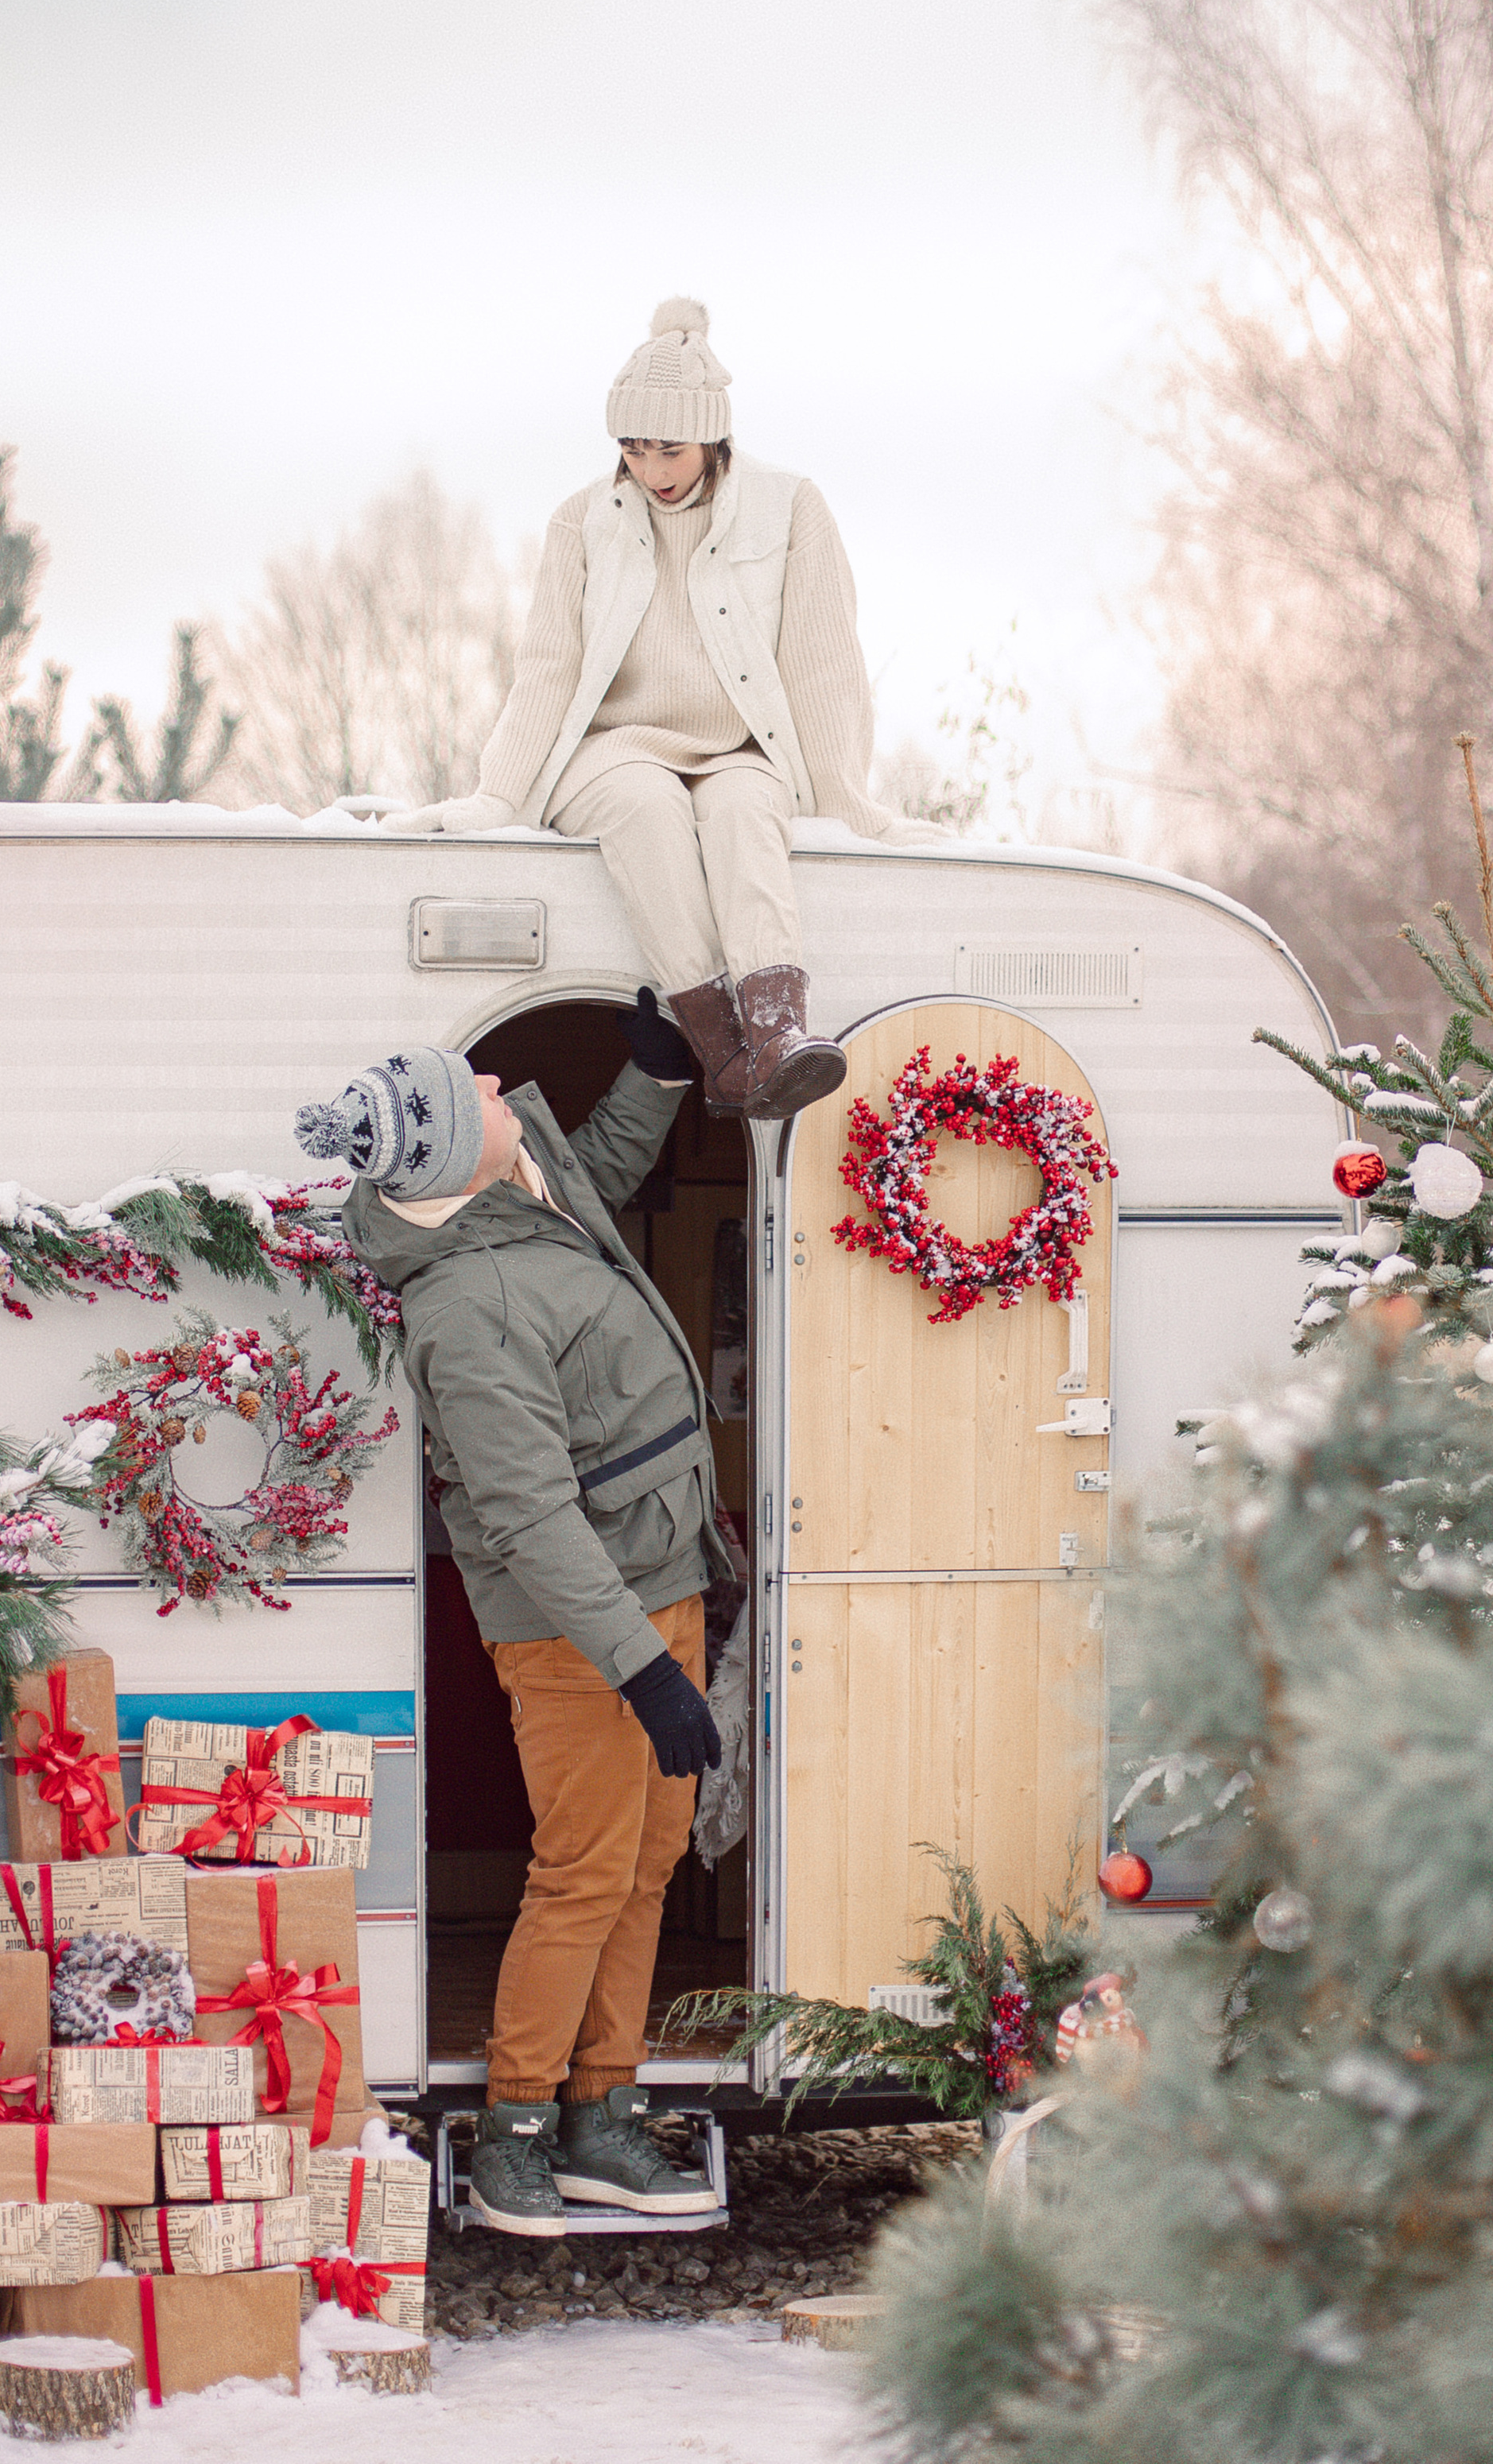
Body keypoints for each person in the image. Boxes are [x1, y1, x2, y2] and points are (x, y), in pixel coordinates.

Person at [298, 1000, 730, 2237]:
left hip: (658, 1587)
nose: (498, 1079)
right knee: (585, 1872)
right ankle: (517, 2132)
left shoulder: (515, 1194)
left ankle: (604, 2111)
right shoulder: (465, 1307)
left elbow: (593, 1173)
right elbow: (532, 1522)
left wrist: (653, 1077)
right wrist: (643, 1668)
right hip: (581, 1631)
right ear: (445, 1148)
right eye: (473, 1088)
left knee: (645, 1867)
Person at [383, 296, 937, 1118]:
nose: (652, 471)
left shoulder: (789, 507)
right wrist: (498, 793)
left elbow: (821, 663)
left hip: (739, 747)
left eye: (668, 449)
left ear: (712, 437)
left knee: (749, 814)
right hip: (613, 748)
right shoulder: (581, 522)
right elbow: (547, 668)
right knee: (645, 810)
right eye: (632, 450)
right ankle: (724, 1057)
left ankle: (779, 1033)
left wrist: (844, 798)